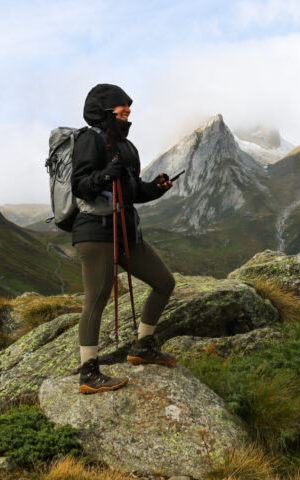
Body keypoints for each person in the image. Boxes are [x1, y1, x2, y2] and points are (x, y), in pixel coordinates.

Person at [70, 83, 177, 394]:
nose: (128, 112)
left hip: (126, 232)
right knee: (97, 297)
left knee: (164, 282)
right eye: (121, 108)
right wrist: (104, 175)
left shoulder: (127, 147)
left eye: (129, 108)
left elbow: (132, 192)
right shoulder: (89, 139)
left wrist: (155, 189)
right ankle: (88, 372)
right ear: (105, 111)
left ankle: (143, 346)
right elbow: (80, 185)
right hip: (96, 231)